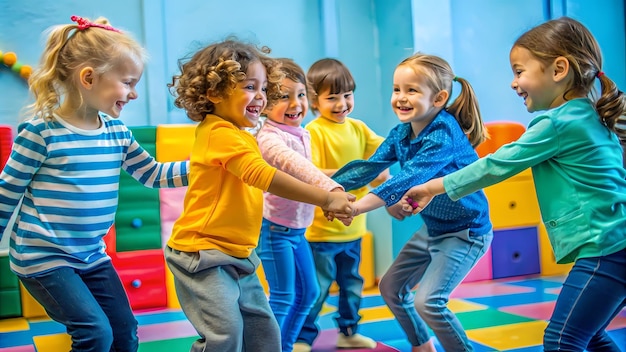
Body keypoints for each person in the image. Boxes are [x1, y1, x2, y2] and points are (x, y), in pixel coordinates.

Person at [401, 17, 626, 352]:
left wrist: (431, 187)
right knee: (587, 334)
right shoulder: (593, 114)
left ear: (558, 69)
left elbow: (495, 166)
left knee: (562, 338)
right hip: (616, 246)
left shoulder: (556, 122)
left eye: (519, 71)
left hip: (606, 250)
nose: (513, 83)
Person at [0, 16, 189, 352]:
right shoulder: (42, 133)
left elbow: (154, 174)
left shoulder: (117, 134)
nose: (133, 94)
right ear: (89, 78)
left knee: (125, 331)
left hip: (90, 256)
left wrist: (206, 166)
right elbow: (6, 194)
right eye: (128, 82)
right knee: (94, 333)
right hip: (42, 258)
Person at [164, 40, 355, 352]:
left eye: (264, 88)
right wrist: (325, 197)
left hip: (239, 253)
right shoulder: (219, 133)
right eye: (251, 87)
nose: (261, 98)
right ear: (214, 93)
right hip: (203, 253)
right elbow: (262, 175)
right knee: (225, 333)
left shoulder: (239, 133)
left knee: (263, 332)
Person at [329, 53, 493, 352]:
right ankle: (422, 346)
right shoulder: (402, 132)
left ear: (439, 98)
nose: (401, 98)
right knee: (391, 288)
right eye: (397, 89)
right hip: (433, 229)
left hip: (466, 233)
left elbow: (406, 179)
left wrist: (356, 207)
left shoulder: (443, 133)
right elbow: (370, 167)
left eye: (412, 90)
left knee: (429, 301)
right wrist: (326, 188)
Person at [293, 58, 386, 352]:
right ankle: (302, 338)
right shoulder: (314, 131)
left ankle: (348, 331)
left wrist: (383, 176)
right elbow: (309, 172)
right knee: (316, 289)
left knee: (353, 286)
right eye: (332, 97)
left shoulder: (359, 129)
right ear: (314, 101)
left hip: (354, 228)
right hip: (322, 232)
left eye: (347, 95)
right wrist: (355, 172)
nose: (341, 103)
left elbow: (384, 156)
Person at [255, 58, 346, 352]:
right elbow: (293, 166)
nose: (296, 103)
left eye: (301, 95)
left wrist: (345, 177)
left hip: (297, 232)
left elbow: (310, 172)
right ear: (265, 103)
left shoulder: (299, 132)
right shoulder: (269, 137)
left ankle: (286, 345)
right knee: (282, 296)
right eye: (284, 96)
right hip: (274, 231)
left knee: (309, 293)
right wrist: (331, 190)